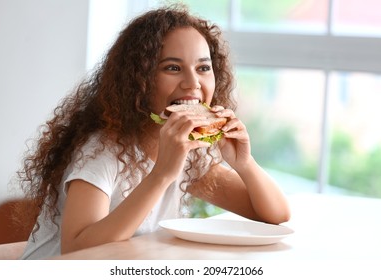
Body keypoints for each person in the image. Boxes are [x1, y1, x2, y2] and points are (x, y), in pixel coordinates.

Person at [17, 4, 290, 260]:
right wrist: (162, 174)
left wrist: (244, 164)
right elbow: (77, 249)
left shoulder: (190, 151)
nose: (192, 83)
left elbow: (274, 215)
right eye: (172, 68)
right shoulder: (101, 150)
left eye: (203, 68)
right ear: (138, 81)